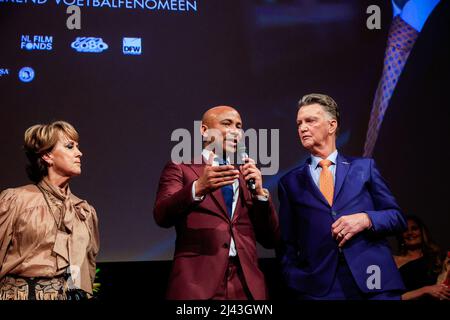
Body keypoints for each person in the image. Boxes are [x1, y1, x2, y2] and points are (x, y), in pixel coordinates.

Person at [278, 93, 407, 300]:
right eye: (299, 123)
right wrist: (295, 278)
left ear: (332, 125)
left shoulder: (364, 168)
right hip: (321, 289)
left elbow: (397, 218)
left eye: (310, 121)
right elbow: (287, 243)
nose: (302, 128)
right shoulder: (290, 182)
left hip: (375, 280)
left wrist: (366, 219)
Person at [154, 105, 279, 300]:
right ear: (204, 130)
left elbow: (270, 239)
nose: (235, 131)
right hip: (198, 284)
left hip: (245, 284)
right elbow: (162, 215)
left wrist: (260, 195)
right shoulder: (181, 168)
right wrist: (198, 187)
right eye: (226, 123)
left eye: (239, 126)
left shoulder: (246, 176)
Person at [0, 121, 99, 300]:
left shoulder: (83, 211)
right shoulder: (16, 200)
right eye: (70, 147)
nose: (79, 153)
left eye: (77, 146)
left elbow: (88, 268)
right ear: (47, 156)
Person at [394, 215, 450, 300]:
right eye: (405, 230)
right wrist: (425, 290)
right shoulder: (393, 261)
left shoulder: (438, 258)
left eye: (414, 228)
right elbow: (390, 297)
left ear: (422, 232)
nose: (410, 233)